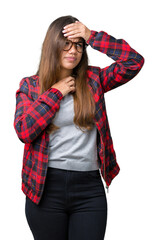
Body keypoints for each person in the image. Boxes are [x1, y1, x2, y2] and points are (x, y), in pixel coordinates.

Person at [13, 15, 144, 240]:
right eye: (66, 44)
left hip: (89, 189)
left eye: (78, 45)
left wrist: (91, 35)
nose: (72, 51)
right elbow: (24, 130)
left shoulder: (94, 80)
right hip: (45, 187)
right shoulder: (31, 86)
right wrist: (56, 93)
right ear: (52, 46)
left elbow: (133, 61)